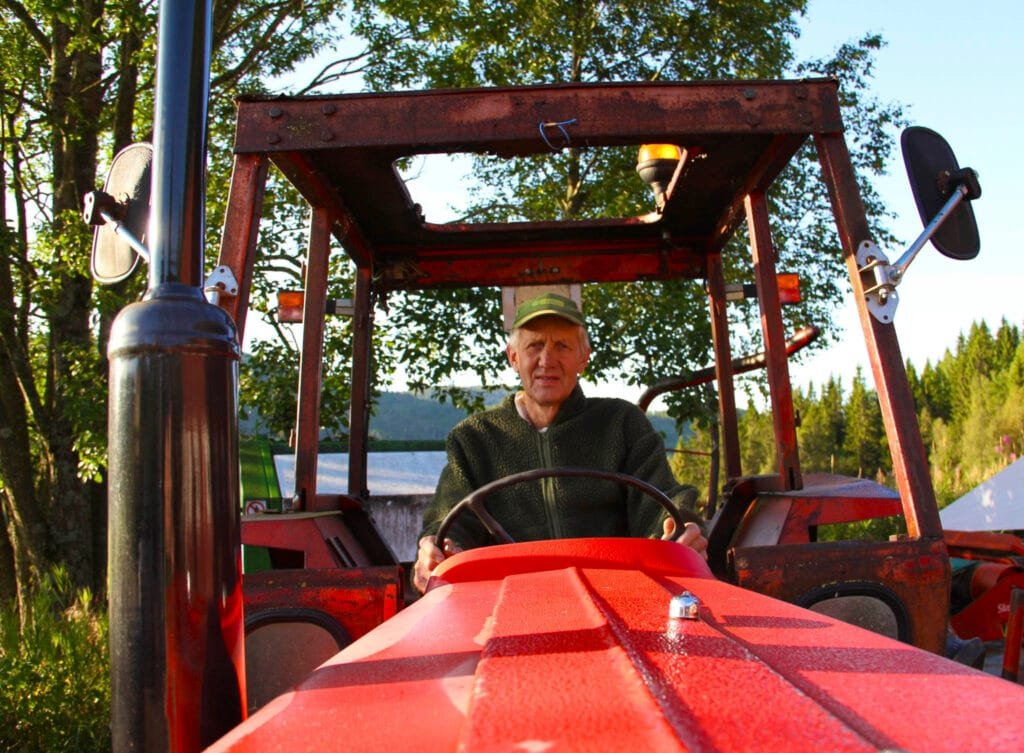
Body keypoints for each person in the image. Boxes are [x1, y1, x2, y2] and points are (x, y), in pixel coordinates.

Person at [413, 292, 708, 593]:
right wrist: (439, 548)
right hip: (508, 597)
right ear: (513, 357)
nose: (547, 360)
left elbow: (660, 501)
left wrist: (677, 528)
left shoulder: (621, 423)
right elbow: (449, 522)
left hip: (617, 591)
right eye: (535, 346)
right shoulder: (475, 437)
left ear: (584, 357)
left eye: (562, 346)